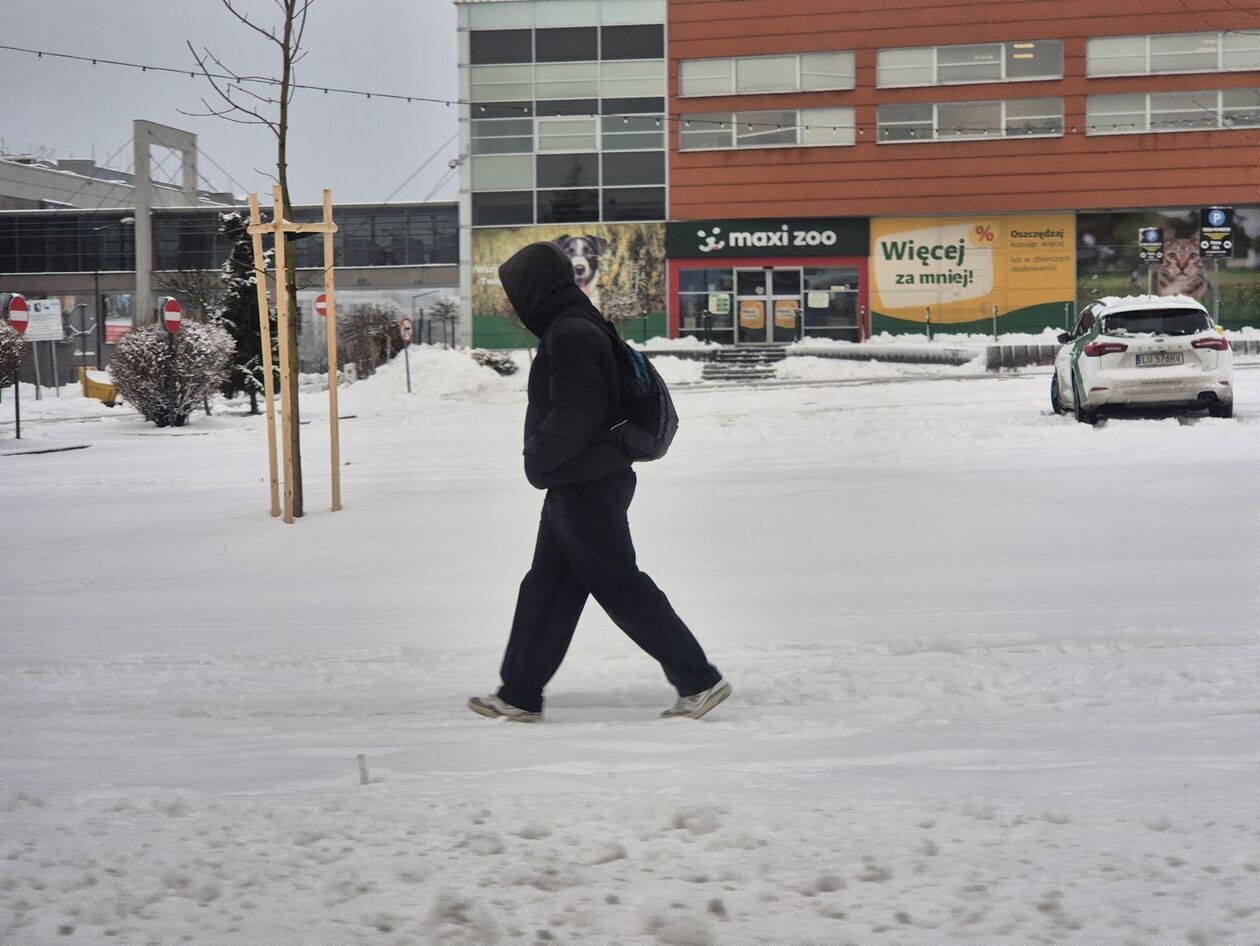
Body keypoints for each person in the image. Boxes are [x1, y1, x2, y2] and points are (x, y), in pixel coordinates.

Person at [468, 241, 730, 723]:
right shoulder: (577, 323)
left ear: (535, 288)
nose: (513, 303)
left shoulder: (569, 333)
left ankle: (699, 680)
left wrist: (537, 459)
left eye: (516, 291)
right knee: (547, 588)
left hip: (586, 482)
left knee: (620, 585)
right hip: (584, 480)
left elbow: (578, 412)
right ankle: (520, 693)